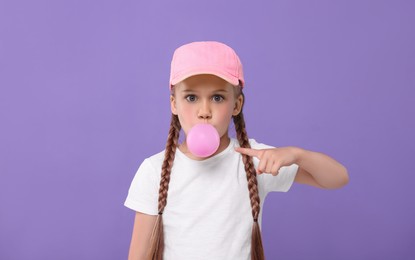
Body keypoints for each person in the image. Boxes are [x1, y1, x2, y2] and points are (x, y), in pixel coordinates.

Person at [124, 41, 349, 260]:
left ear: (236, 105)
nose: (204, 111)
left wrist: (297, 154)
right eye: (191, 98)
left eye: (217, 97)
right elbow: (139, 255)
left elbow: (337, 178)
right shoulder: (154, 170)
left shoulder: (255, 160)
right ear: (174, 104)